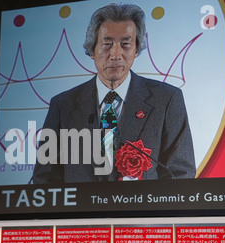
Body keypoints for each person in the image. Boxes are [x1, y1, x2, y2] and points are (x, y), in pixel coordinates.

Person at [33, 3, 196, 183]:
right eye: (106, 44)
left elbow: (181, 176)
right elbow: (44, 178)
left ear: (136, 50)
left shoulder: (166, 99)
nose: (116, 54)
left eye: (125, 44)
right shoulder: (62, 105)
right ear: (92, 49)